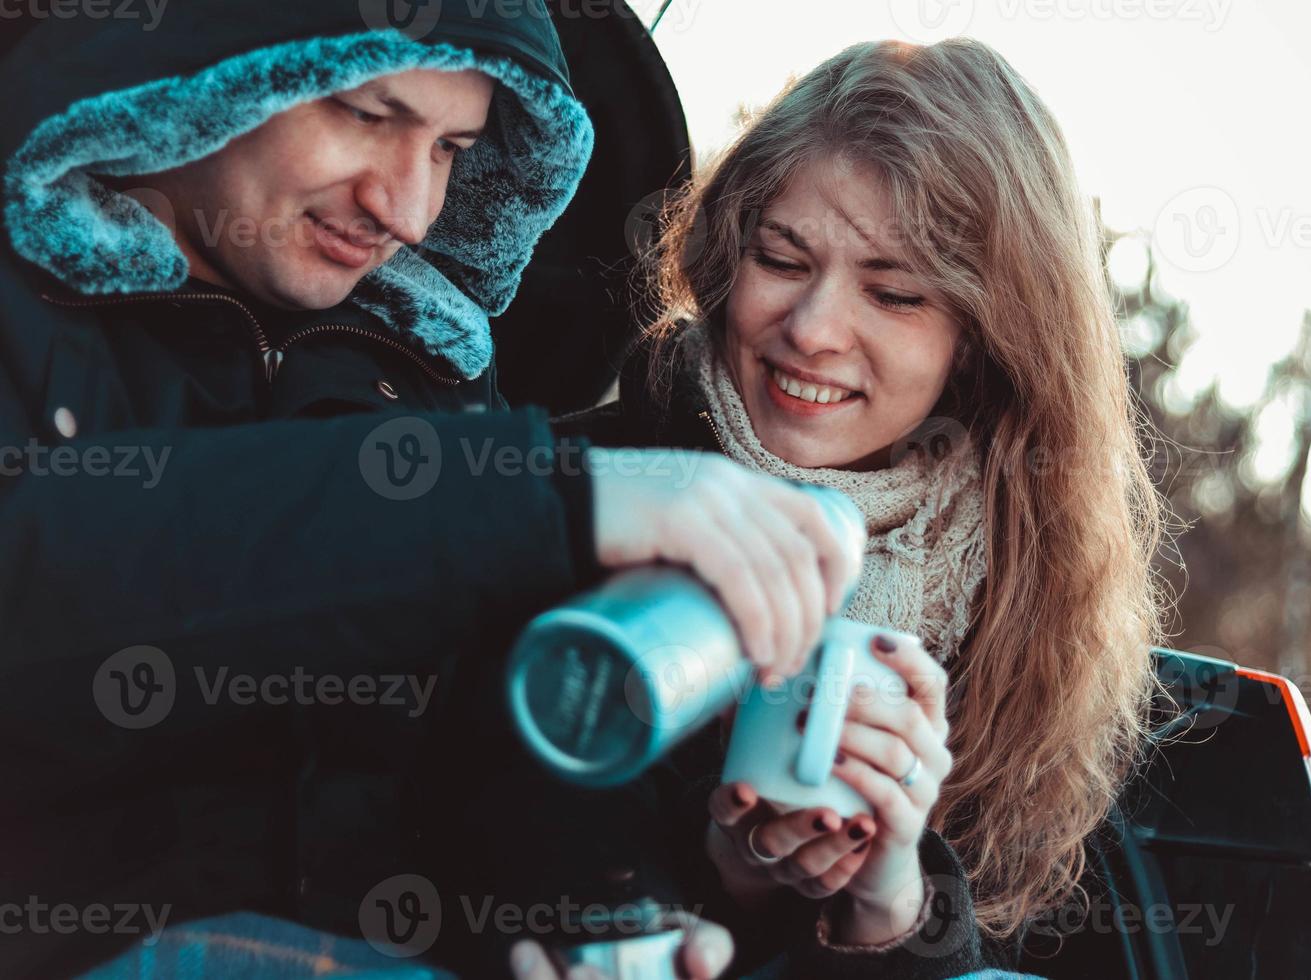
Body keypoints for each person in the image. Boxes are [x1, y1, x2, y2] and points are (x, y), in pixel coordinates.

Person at [0, 3, 861, 976]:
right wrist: (537, 500)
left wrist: (600, 911)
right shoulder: (26, 318)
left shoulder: (428, 378)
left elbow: (481, 738)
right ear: (208, 74)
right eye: (370, 114)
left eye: (452, 147)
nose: (407, 207)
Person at [555, 36, 1171, 976]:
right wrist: (721, 879)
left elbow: (1009, 941)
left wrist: (890, 907)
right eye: (782, 258)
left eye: (892, 293)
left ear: (982, 338)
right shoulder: (570, 493)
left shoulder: (1022, 614)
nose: (812, 329)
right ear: (728, 255)